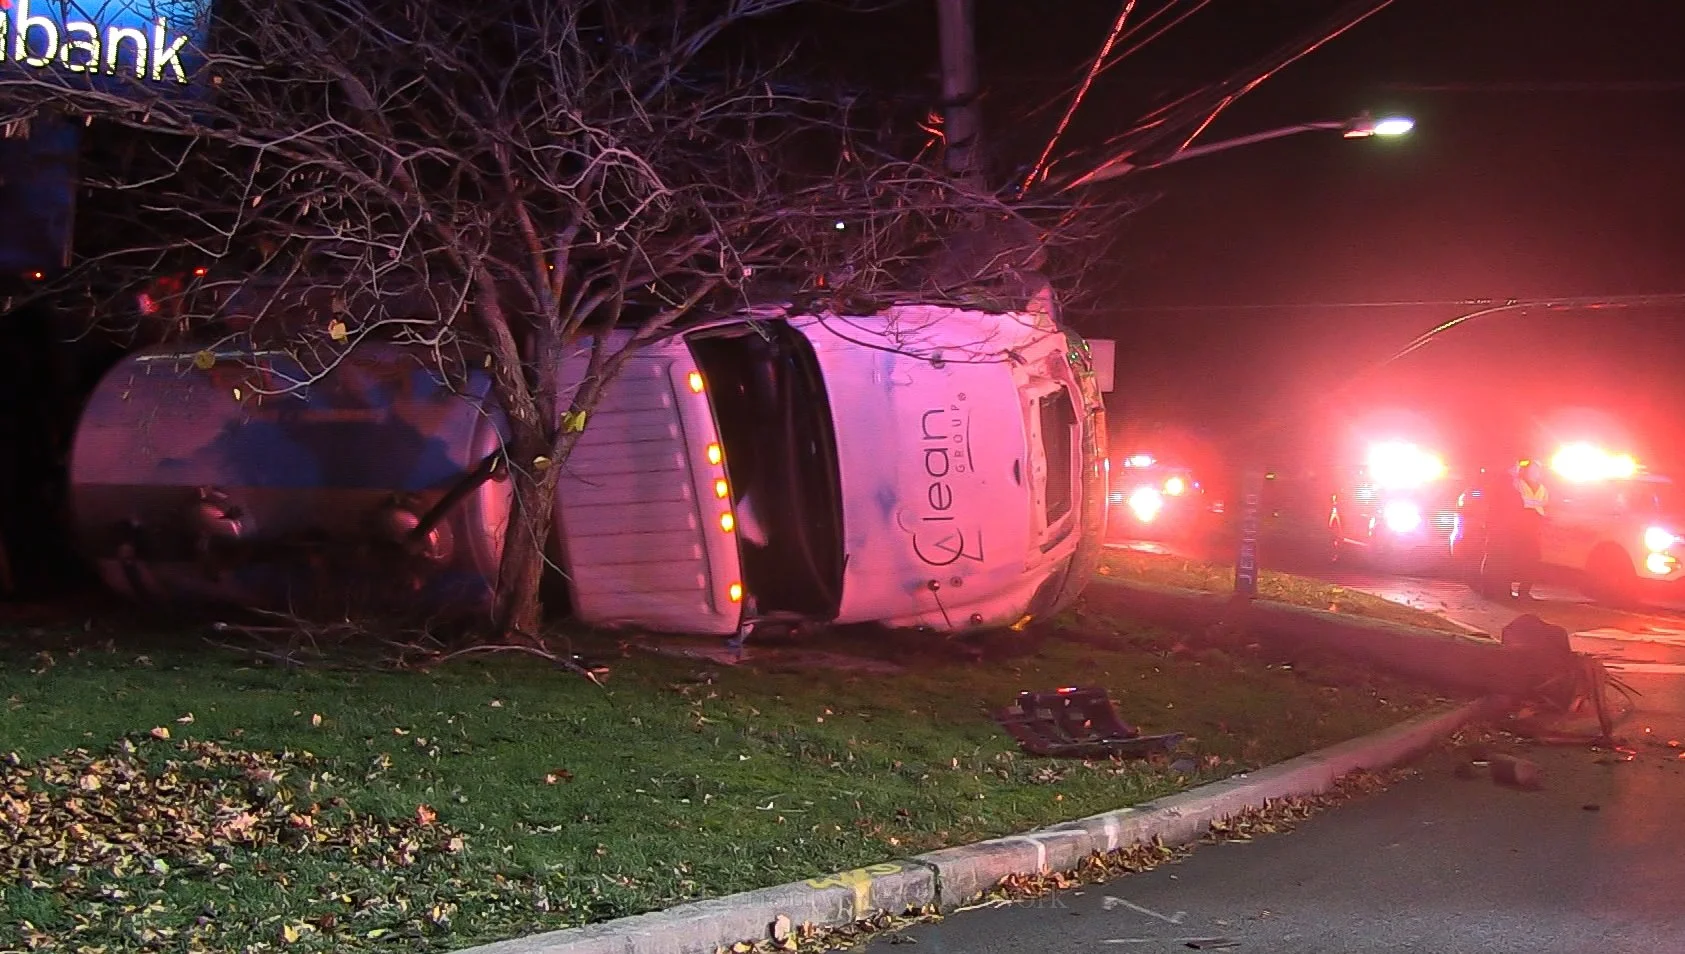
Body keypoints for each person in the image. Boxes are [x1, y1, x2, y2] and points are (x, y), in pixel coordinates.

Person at [1503, 458, 1549, 599]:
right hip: (1520, 525)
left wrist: (1530, 503)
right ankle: (1507, 590)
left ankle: (1524, 591)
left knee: (1532, 560)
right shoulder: (1518, 484)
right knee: (1514, 559)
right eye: (1532, 470)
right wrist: (1533, 504)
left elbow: (1545, 502)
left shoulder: (1542, 488)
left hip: (1534, 526)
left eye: (1537, 470)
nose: (1535, 473)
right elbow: (1521, 502)